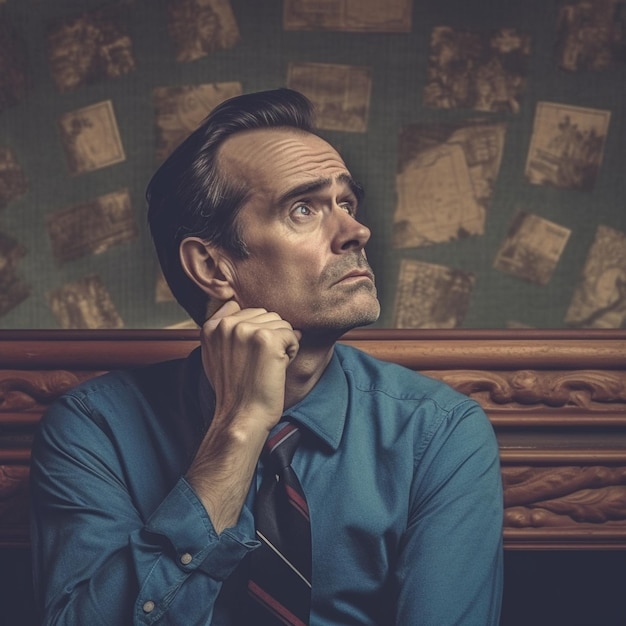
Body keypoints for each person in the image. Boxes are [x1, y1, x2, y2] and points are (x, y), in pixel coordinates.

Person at [30, 88, 503, 625]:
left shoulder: (437, 433)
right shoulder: (95, 429)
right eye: (304, 208)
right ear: (211, 266)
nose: (356, 230)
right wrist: (238, 427)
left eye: (346, 202)